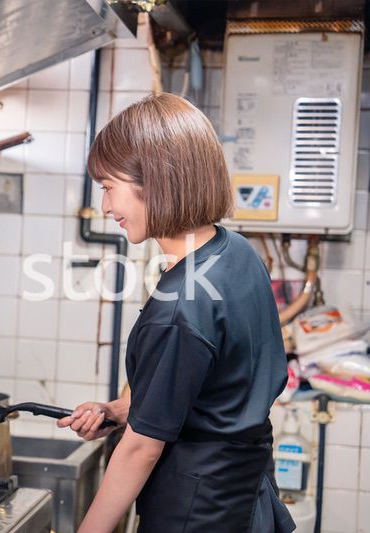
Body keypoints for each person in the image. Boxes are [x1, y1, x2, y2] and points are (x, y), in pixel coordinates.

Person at [57, 93, 295, 533]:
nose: (106, 207)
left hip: (196, 510)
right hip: (245, 497)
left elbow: (140, 450)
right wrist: (124, 409)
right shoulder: (236, 251)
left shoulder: (182, 303)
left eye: (109, 188)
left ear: (155, 183)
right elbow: (212, 388)